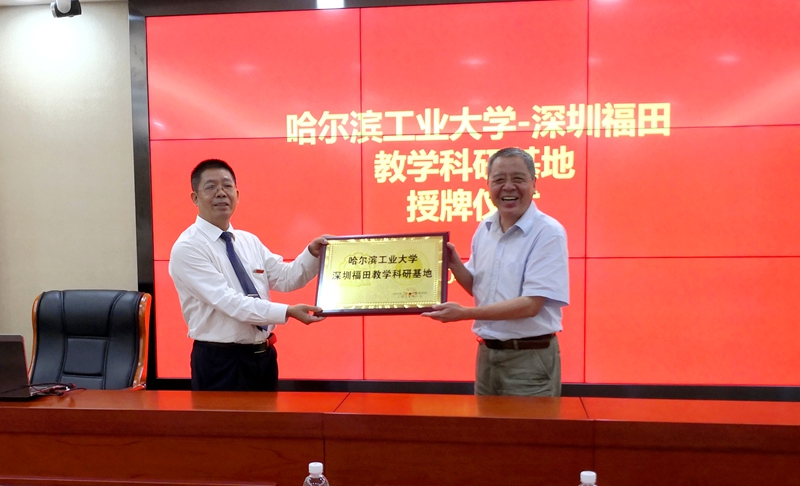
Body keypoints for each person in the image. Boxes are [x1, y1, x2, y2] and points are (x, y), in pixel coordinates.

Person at [169, 159, 327, 391]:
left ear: (237, 194)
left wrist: (312, 254)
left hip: (263, 359)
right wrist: (287, 311)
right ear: (195, 198)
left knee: (267, 416)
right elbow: (230, 302)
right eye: (211, 187)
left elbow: (286, 278)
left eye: (227, 186)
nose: (221, 193)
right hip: (220, 362)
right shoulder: (188, 248)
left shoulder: (248, 241)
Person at [422, 147, 569, 396]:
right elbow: (479, 288)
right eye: (499, 179)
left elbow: (531, 304)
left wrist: (465, 314)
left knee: (528, 424)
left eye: (518, 178)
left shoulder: (548, 232)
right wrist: (454, 264)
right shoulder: (486, 227)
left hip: (529, 359)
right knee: (486, 423)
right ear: (488, 186)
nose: (508, 187)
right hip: (487, 356)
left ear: (534, 183)